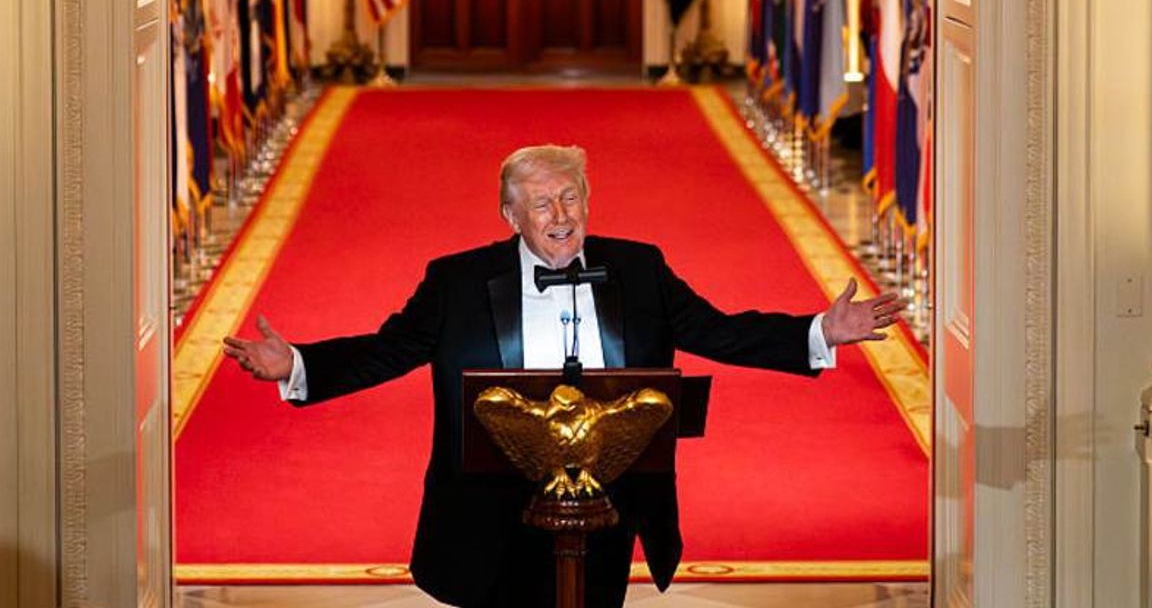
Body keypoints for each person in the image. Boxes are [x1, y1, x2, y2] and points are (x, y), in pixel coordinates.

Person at [223, 144, 904, 607]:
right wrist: (300, 364)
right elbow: (388, 349)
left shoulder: (638, 268)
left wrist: (818, 332)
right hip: (493, 508)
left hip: (606, 503)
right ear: (510, 216)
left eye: (571, 198)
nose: (561, 217)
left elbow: (718, 331)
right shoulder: (459, 282)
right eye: (542, 203)